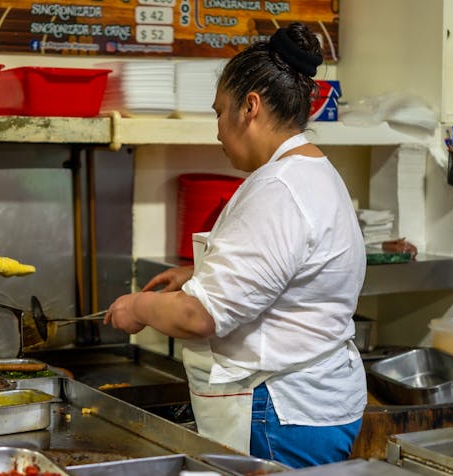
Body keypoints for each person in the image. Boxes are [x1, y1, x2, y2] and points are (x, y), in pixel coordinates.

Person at [103, 22, 366, 469]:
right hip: (308, 407)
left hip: (281, 415)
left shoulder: (280, 190)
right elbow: (284, 271)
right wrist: (201, 274)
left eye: (220, 112)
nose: (218, 130)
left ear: (251, 106)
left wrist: (136, 307)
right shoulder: (311, 172)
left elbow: (199, 316)